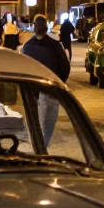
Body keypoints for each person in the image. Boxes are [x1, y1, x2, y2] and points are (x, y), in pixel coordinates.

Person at [20, 14, 70, 144]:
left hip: (33, 88)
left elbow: (22, 68)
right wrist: (60, 82)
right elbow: (65, 66)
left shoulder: (27, 47)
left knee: (34, 117)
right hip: (50, 86)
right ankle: (43, 143)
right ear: (46, 28)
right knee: (49, 118)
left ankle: (37, 142)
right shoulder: (55, 45)